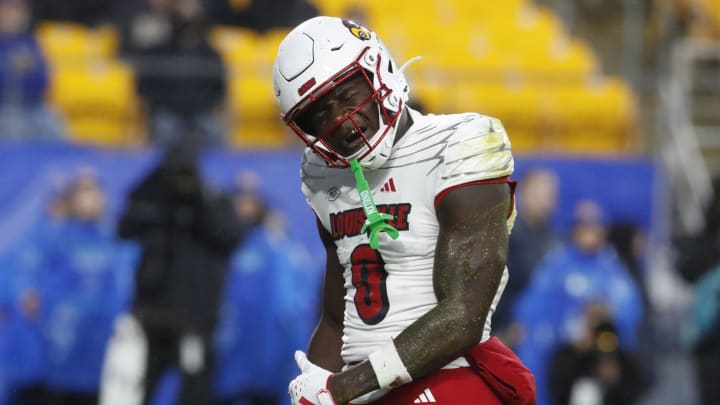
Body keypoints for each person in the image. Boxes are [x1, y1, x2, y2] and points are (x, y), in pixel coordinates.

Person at [272, 16, 535, 405]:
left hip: (448, 373)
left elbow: (462, 317)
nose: (341, 121)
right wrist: (319, 385)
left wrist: (340, 390)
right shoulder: (323, 174)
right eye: (320, 114)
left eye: (347, 97)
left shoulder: (456, 145)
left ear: (379, 70)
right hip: (361, 385)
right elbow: (336, 318)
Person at [100, 136, 247, 405]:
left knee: (195, 393)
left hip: (195, 319)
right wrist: (156, 182)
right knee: (138, 391)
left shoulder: (211, 200)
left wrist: (201, 199)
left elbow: (232, 237)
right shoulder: (155, 199)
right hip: (153, 320)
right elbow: (125, 228)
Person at [512, 200, 645, 405]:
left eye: (595, 225)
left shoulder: (611, 268)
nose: (590, 232)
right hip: (564, 358)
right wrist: (571, 328)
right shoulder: (557, 265)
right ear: (574, 229)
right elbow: (532, 309)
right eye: (584, 225)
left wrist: (606, 318)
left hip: (601, 356)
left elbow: (630, 309)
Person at [494, 168, 560, 346]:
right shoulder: (506, 235)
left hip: (546, 330)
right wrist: (507, 327)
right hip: (508, 329)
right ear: (524, 193)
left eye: (552, 194)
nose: (548, 199)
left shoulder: (555, 240)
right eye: (541, 192)